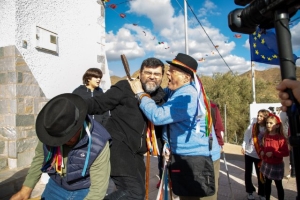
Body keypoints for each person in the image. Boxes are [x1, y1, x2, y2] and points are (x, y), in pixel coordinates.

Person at [128, 53, 221, 200]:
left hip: (199, 161)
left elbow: (158, 116)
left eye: (172, 71)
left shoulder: (188, 96)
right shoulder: (176, 90)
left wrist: (140, 93)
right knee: (185, 195)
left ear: (186, 77)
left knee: (200, 197)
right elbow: (159, 93)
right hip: (185, 157)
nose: (168, 74)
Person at [84, 58, 165, 200]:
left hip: (137, 153)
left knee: (137, 192)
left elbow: (160, 125)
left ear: (161, 77)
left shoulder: (161, 96)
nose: (152, 76)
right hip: (118, 147)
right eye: (148, 72)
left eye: (157, 74)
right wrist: (75, 105)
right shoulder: (125, 87)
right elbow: (99, 103)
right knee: (134, 192)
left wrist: (164, 150)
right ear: (140, 74)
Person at [10, 93, 111, 200]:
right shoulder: (50, 132)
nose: (65, 141)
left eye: (70, 135)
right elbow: (40, 157)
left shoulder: (99, 142)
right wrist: (25, 191)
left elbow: (97, 190)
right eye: (61, 138)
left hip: (83, 189)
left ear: (79, 125)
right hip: (55, 184)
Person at [241, 109, 270, 200]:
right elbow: (246, 135)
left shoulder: (267, 128)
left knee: (260, 174)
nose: (258, 117)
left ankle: (262, 193)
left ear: (265, 117)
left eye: (261, 116)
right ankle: (249, 191)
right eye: (258, 115)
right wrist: (243, 146)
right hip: (249, 153)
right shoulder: (253, 126)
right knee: (248, 173)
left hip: (260, 155)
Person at [260, 113, 289, 200]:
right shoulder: (265, 136)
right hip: (267, 164)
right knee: (267, 184)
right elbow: (263, 146)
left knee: (278, 185)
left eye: (271, 123)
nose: (268, 125)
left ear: (277, 125)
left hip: (277, 165)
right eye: (267, 123)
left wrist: (274, 153)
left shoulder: (281, 138)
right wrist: (262, 151)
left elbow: (286, 153)